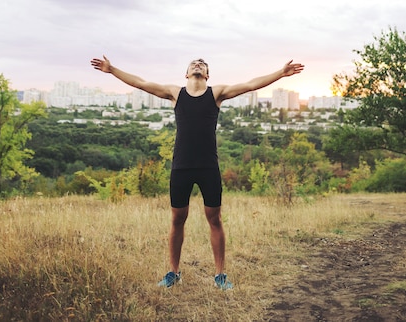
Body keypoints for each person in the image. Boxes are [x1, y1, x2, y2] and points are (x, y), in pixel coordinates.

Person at [90, 55, 304, 290]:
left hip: (208, 167)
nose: (198, 64)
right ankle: (173, 272)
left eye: (202, 64)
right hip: (181, 166)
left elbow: (251, 85)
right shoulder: (175, 93)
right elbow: (140, 83)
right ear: (186, 73)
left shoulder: (216, 93)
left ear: (207, 75)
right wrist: (112, 70)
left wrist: (280, 73)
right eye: (194, 63)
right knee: (177, 219)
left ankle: (220, 275)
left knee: (215, 219)